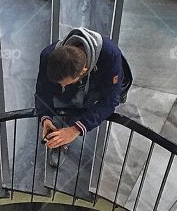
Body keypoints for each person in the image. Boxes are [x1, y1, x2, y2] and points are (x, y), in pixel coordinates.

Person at [35, 29, 132, 167]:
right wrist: (45, 117)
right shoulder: (47, 55)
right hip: (78, 90)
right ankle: (60, 139)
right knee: (64, 104)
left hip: (98, 87)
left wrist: (75, 130)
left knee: (84, 106)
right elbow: (43, 90)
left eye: (64, 83)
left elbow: (109, 101)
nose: (61, 86)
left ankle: (66, 136)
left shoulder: (110, 55)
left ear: (83, 71)